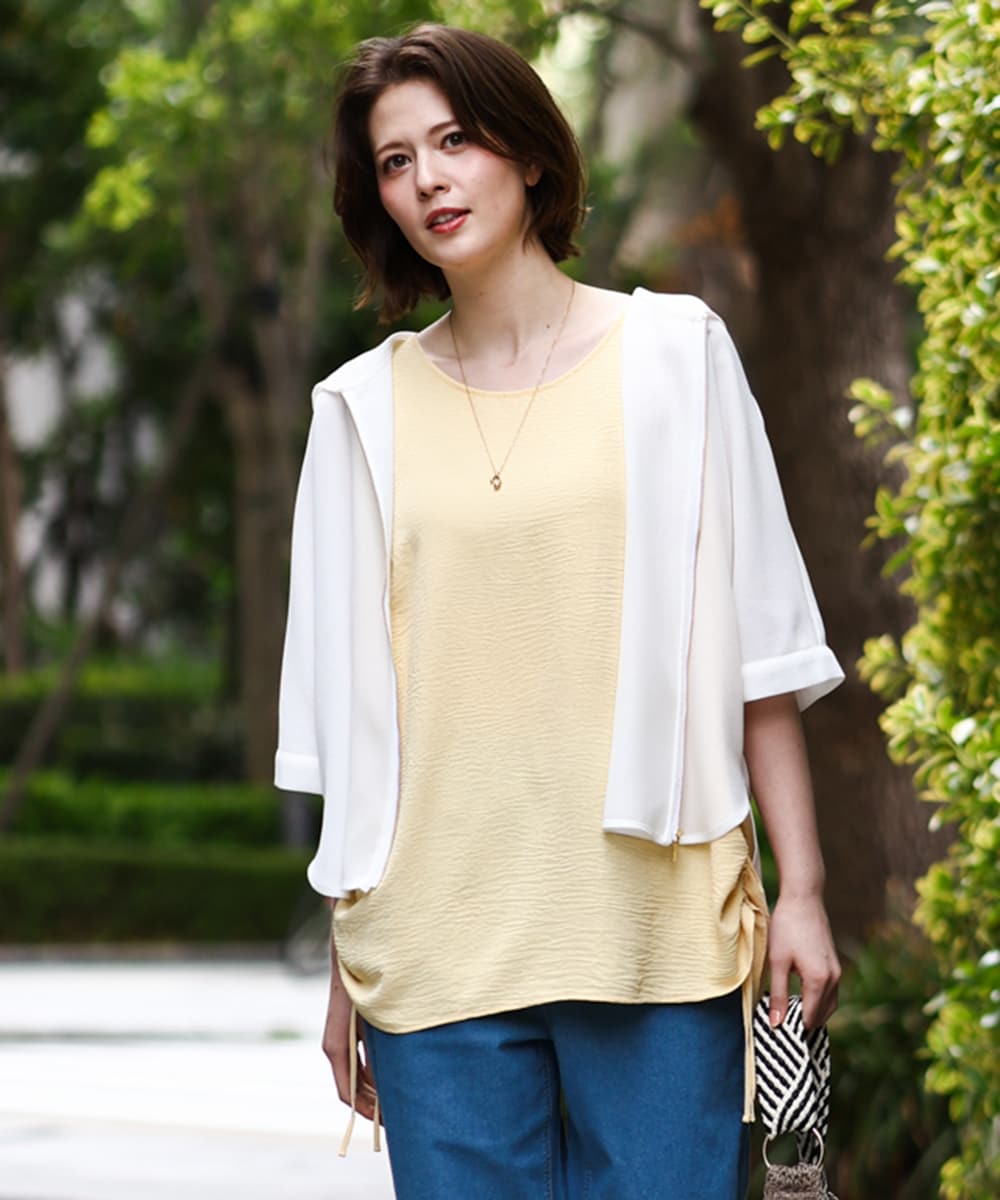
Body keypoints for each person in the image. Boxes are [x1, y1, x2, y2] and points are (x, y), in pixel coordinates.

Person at [274, 22, 843, 1200]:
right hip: (434, 956)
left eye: (455, 141)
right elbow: (359, 737)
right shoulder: (357, 415)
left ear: (529, 154)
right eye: (394, 162)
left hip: (654, 936)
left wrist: (806, 891)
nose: (428, 180)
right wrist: (346, 963)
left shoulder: (676, 356)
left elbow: (760, 659)